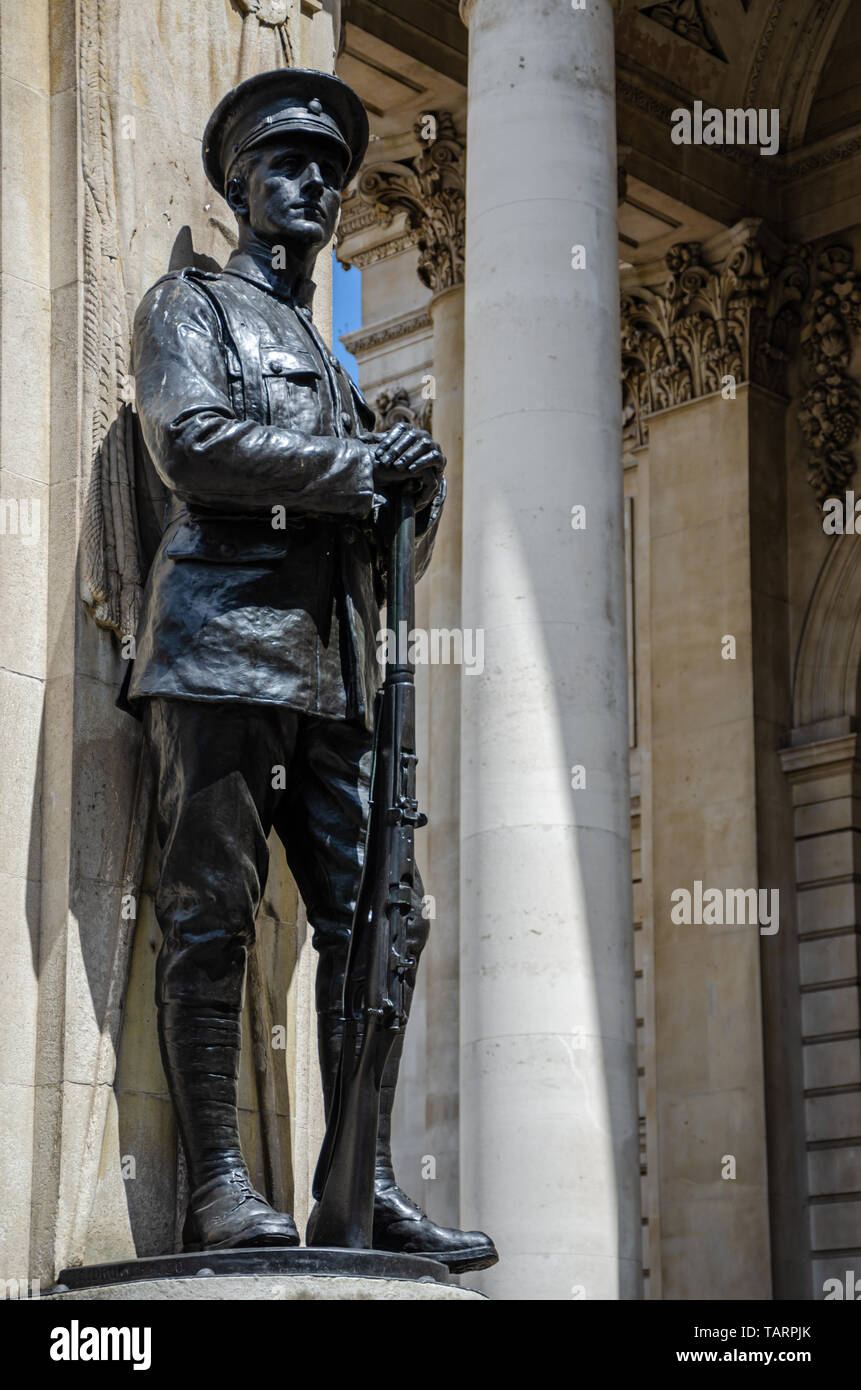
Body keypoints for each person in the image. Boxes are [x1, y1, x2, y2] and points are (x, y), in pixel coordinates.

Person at [126, 66, 497, 1273]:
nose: (315, 188)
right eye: (287, 167)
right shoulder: (191, 309)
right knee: (210, 912)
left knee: (387, 915)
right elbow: (191, 444)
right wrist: (352, 474)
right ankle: (220, 1184)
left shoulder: (336, 366)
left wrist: (415, 494)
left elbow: (394, 560)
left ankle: (366, 1180)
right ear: (240, 183)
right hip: (222, 646)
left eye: (330, 174)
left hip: (333, 671)